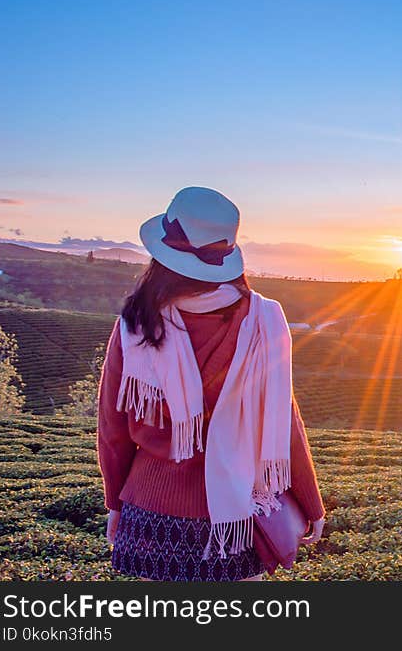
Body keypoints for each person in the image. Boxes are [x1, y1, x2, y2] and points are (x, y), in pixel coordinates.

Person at [97, 186, 325, 581]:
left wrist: (116, 503)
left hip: (150, 512)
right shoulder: (264, 320)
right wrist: (310, 503)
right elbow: (284, 424)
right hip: (234, 519)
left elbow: (112, 431)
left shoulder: (135, 324)